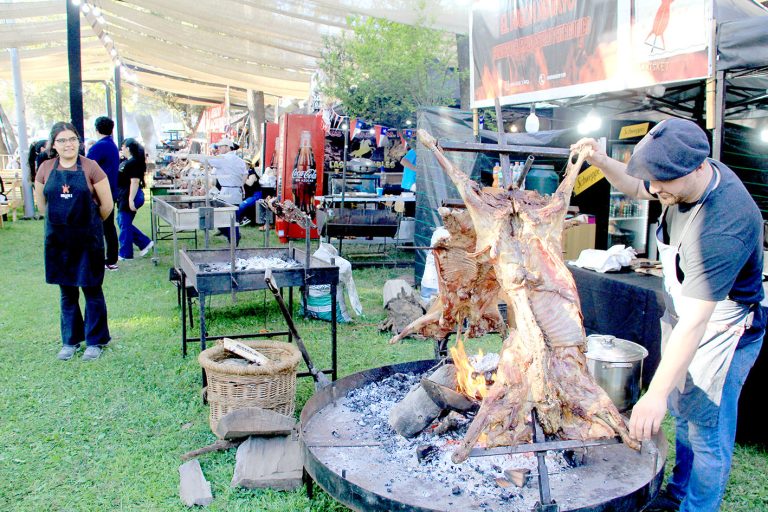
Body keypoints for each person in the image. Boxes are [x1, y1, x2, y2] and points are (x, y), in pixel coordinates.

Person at [574, 118, 766, 512]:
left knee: (707, 430)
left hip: (722, 330)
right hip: (685, 314)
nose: (655, 190)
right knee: (684, 410)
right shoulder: (677, 175)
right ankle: (678, 491)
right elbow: (634, 185)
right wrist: (599, 159)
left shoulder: (722, 224)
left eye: (663, 184)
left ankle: (698, 507)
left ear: (698, 168)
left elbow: (699, 321)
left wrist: (655, 395)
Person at [33, 122, 113, 361]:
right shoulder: (45, 169)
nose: (68, 144)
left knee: (91, 289)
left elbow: (107, 205)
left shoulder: (91, 167)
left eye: (72, 139)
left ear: (79, 141)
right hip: (58, 241)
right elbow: (41, 205)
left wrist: (88, 224)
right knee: (67, 292)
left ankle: (95, 341)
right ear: (53, 145)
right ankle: (70, 341)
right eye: (62, 140)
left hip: (87, 241)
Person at [190, 137, 248, 244]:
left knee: (222, 219)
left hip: (227, 193)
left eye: (221, 147)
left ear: (227, 147)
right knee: (231, 219)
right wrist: (240, 185)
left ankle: (234, 238)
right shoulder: (240, 160)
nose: (219, 149)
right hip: (236, 192)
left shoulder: (222, 159)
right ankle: (234, 238)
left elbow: (204, 159)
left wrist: (192, 155)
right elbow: (245, 174)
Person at [87, 117, 121, 271]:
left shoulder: (99, 147)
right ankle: (111, 259)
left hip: (99, 193)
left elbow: (86, 168)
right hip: (110, 191)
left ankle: (98, 259)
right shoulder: (112, 146)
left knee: (98, 227)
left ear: (96, 129)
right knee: (108, 227)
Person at [117, 138, 153, 260]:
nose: (121, 149)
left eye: (122, 147)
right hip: (124, 195)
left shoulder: (134, 163)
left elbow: (135, 181)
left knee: (124, 223)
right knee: (122, 221)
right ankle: (144, 242)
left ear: (128, 148)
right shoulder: (128, 161)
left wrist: (131, 200)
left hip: (130, 195)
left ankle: (125, 253)